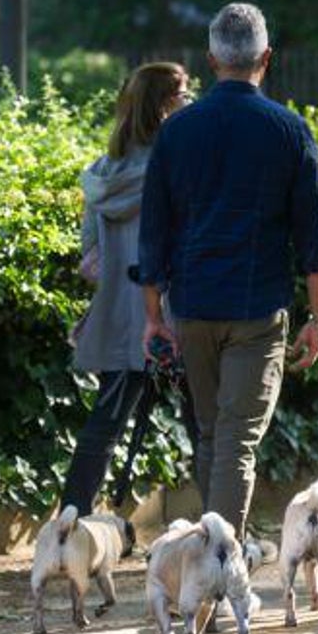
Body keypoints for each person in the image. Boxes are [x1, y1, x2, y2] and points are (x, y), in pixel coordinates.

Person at [138, 2, 318, 537]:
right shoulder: (289, 131)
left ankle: (218, 546)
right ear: (266, 58)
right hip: (257, 307)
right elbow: (314, 241)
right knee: (236, 441)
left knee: (211, 435)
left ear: (210, 60)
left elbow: (154, 230)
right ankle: (220, 564)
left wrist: (153, 315)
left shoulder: (176, 133)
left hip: (193, 304)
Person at [59, 62, 193, 516]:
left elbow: (90, 256)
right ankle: (228, 530)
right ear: (163, 105)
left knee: (105, 423)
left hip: (120, 314)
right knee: (206, 425)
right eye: (183, 94)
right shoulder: (176, 165)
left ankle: (70, 521)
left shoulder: (103, 172)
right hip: (175, 313)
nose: (190, 102)